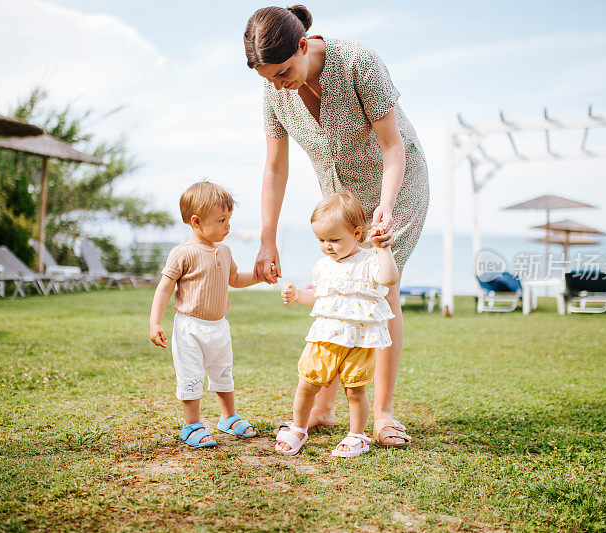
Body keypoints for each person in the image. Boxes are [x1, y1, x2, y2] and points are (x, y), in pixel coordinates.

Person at [244, 5, 429, 447]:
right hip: (339, 201)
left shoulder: (358, 61)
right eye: (269, 78)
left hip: (395, 187)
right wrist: (267, 240)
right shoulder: (275, 91)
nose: (279, 85)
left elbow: (393, 147)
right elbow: (274, 169)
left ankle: (381, 414)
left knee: (378, 289)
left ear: (303, 45)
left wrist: (383, 209)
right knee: (336, 288)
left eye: (284, 73)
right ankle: (324, 407)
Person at [277, 192, 399, 457]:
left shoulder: (369, 261)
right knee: (307, 383)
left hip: (358, 340)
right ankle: (298, 428)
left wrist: (383, 249)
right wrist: (298, 295)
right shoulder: (323, 266)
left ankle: (357, 435)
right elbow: (321, 299)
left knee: (355, 390)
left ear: (357, 233)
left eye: (334, 240)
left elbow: (389, 279)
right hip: (324, 338)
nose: (327, 246)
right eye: (321, 239)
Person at [149, 181, 260, 448]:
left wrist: (258, 276)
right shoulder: (182, 253)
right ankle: (192, 425)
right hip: (190, 328)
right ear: (197, 221)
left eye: (229, 219)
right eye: (221, 220)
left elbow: (234, 278)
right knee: (192, 375)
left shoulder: (224, 250)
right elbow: (164, 289)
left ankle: (228, 417)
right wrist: (155, 322)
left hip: (219, 326)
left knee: (223, 373)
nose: (227, 226)